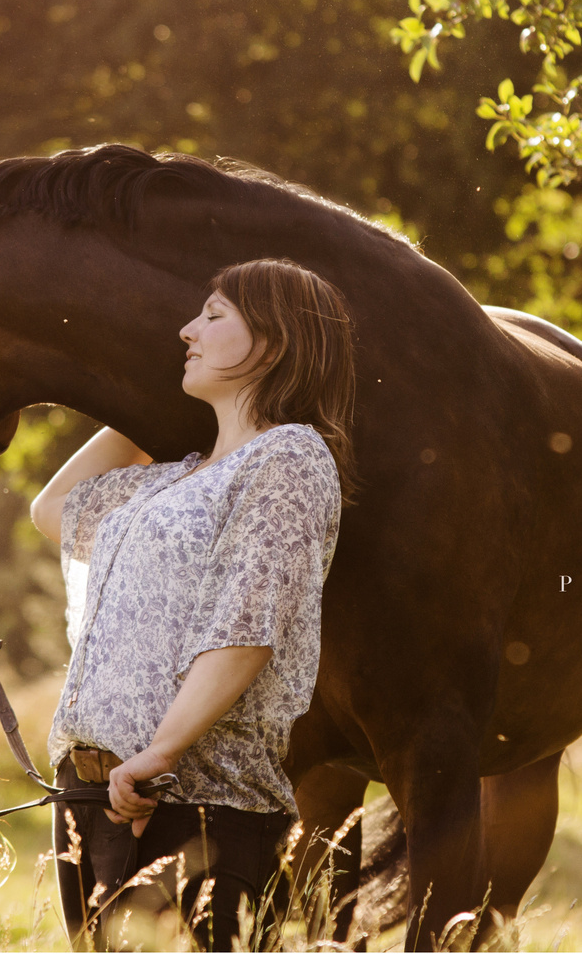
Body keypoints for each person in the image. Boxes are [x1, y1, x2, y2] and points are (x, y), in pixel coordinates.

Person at [30, 257, 359, 950]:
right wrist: (140, 405)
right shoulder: (169, 478)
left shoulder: (288, 458)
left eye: (213, 316)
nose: (187, 329)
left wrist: (160, 752)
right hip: (95, 795)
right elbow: (52, 509)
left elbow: (247, 626)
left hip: (196, 800)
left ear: (273, 343)